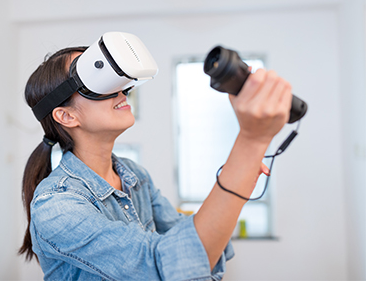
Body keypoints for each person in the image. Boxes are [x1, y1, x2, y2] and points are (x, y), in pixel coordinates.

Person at [18, 42, 292, 280]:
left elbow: (195, 246)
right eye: (96, 80)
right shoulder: (56, 206)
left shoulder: (133, 175)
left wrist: (241, 171)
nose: (120, 89)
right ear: (66, 116)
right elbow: (163, 266)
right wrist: (249, 144)